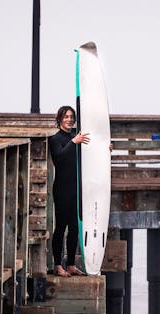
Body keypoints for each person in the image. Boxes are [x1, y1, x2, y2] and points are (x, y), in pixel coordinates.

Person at [49, 106, 89, 277]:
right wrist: (74, 142)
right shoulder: (55, 139)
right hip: (62, 189)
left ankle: (71, 264)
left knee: (75, 228)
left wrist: (106, 148)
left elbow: (89, 154)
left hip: (76, 188)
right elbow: (59, 158)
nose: (70, 119)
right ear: (59, 119)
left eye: (72, 117)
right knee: (61, 227)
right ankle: (58, 265)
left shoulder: (76, 137)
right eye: (66, 117)